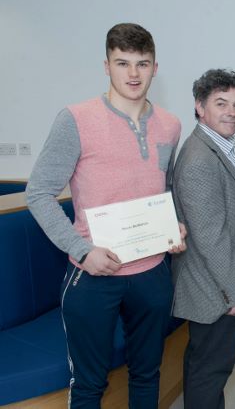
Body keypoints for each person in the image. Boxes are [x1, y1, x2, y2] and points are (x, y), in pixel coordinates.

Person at [26, 23, 184, 408]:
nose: (133, 74)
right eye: (123, 63)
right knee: (89, 384)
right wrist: (82, 251)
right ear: (106, 65)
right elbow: (39, 193)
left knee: (147, 375)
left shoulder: (170, 124)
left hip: (152, 273)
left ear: (155, 68)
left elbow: (163, 189)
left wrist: (173, 224)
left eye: (142, 64)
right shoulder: (75, 119)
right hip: (93, 274)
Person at [171, 69, 235, 409]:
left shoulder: (218, 148)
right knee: (209, 371)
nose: (232, 112)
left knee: (210, 370)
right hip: (214, 289)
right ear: (199, 106)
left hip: (217, 284)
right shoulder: (199, 158)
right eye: (221, 103)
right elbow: (211, 235)